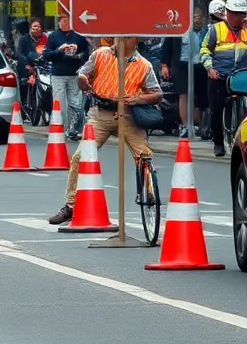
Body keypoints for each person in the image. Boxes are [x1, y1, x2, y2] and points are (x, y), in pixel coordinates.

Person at [48, 36, 162, 225]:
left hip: (128, 114)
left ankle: (149, 192)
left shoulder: (144, 64)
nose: (121, 42)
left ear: (135, 41)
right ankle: (71, 205)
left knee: (144, 155)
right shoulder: (100, 54)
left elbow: (157, 93)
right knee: (79, 157)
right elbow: (82, 75)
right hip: (100, 114)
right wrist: (83, 81)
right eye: (118, 38)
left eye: (127, 38)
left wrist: (139, 99)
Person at [199, 0, 247, 158]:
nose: (240, 17)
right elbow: (204, 50)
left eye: (243, 14)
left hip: (242, 76)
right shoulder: (215, 29)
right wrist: (210, 68)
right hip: (220, 75)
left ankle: (246, 141)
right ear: (228, 13)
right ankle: (218, 143)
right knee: (216, 109)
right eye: (237, 13)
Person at [162, 5, 207, 139]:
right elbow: (167, 46)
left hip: (200, 65)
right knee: (183, 95)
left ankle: (201, 125)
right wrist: (165, 65)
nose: (197, 20)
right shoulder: (178, 28)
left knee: (201, 96)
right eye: (194, 17)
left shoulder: (206, 31)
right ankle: (186, 126)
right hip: (181, 64)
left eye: (199, 17)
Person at [44, 12, 90, 140]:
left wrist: (79, 54)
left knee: (76, 102)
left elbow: (86, 53)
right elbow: (46, 55)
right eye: (63, 21)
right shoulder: (53, 36)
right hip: (58, 74)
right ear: (59, 22)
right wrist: (60, 50)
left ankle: (76, 129)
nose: (65, 23)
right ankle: (60, 128)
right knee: (59, 103)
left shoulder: (78, 35)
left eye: (68, 21)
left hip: (74, 73)